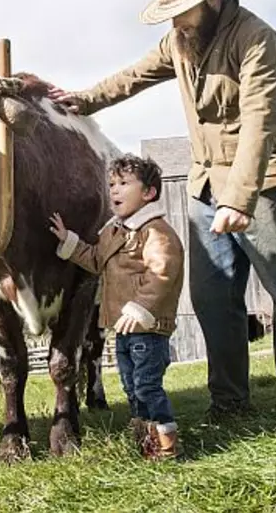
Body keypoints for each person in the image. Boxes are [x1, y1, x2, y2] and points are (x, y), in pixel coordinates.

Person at [47, 0, 276, 425]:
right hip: (205, 188)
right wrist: (85, 100)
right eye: (170, 13)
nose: (175, 21)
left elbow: (261, 122)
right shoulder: (178, 41)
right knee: (213, 298)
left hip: (259, 184)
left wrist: (240, 198)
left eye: (182, 10)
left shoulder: (258, 40)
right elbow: (133, 76)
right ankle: (229, 401)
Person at [50, 154, 184, 459]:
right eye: (111, 184)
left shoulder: (155, 232)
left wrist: (139, 307)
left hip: (148, 327)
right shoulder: (115, 231)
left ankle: (166, 443)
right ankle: (146, 441)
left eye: (124, 184)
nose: (114, 190)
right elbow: (97, 260)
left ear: (148, 193)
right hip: (123, 328)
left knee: (147, 386)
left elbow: (162, 272)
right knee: (131, 387)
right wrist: (68, 240)